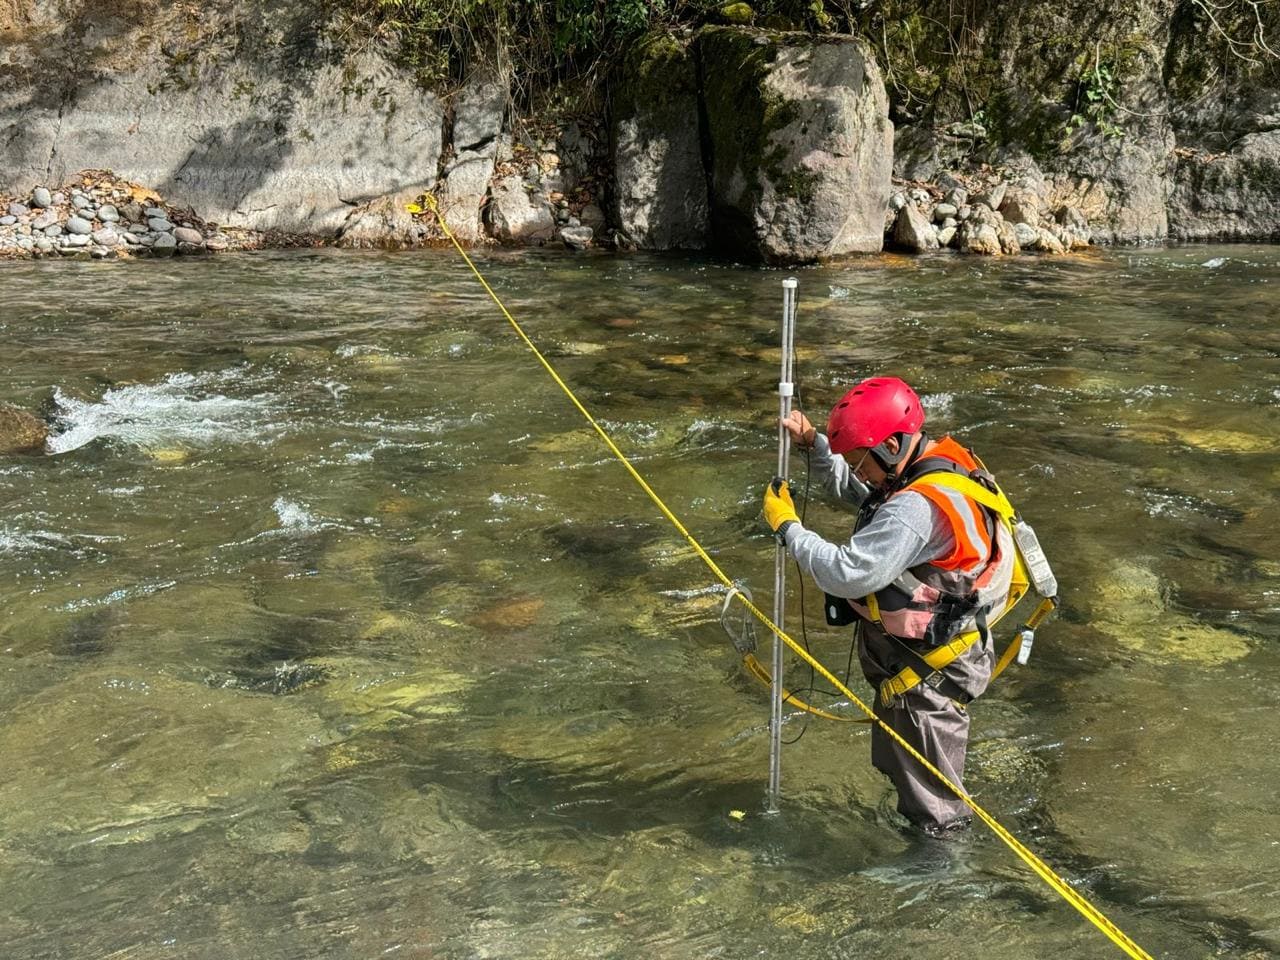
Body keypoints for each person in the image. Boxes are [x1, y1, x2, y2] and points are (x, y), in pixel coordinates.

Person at [761, 375, 1017, 835]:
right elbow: (870, 497)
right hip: (934, 658)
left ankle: (938, 873)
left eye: (861, 461)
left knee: (937, 807)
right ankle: (922, 843)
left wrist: (789, 530)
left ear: (893, 446)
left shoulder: (916, 509)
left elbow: (847, 572)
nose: (858, 473)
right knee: (913, 776)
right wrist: (816, 447)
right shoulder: (930, 465)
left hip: (928, 673)